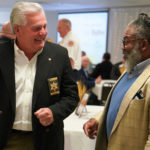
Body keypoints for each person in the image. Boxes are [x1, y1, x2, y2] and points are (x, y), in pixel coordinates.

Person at [0, 2, 79, 150]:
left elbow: (72, 96)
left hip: (46, 140)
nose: (43, 32)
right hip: (7, 139)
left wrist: (53, 112)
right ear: (18, 29)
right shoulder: (1, 54)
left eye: (45, 26)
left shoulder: (59, 55)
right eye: (36, 28)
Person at [83, 13, 150, 150]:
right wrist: (98, 120)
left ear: (143, 44)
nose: (122, 47)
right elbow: (120, 107)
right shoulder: (130, 71)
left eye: (126, 42)